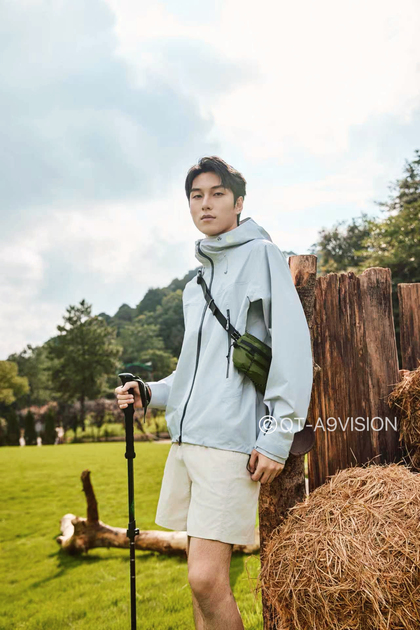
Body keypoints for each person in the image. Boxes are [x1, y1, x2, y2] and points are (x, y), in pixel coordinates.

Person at [115, 156, 313, 629]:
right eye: (196, 195)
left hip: (230, 444)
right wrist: (149, 392)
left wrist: (277, 437)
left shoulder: (262, 255)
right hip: (187, 444)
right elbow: (193, 373)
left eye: (217, 194)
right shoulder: (195, 286)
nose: (205, 204)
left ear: (238, 202)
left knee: (205, 580)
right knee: (201, 587)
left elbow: (292, 349)